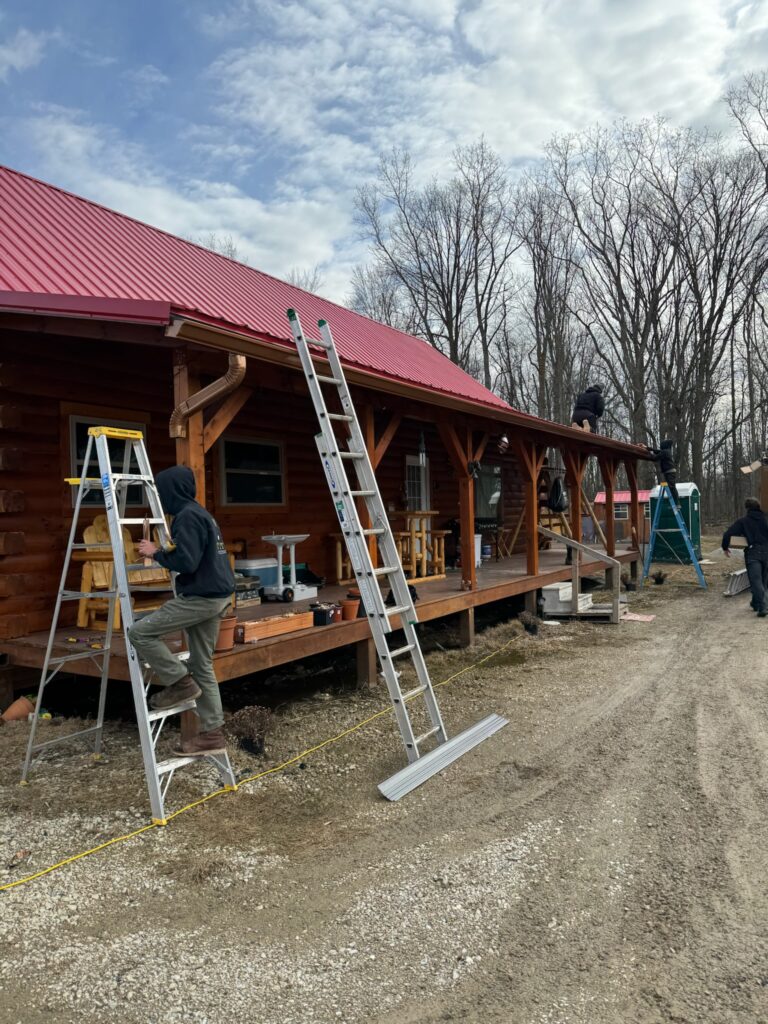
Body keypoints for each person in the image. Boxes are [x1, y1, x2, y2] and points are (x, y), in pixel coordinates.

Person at [129, 465, 235, 755]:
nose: (161, 497)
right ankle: (212, 735)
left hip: (201, 598)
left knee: (140, 633)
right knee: (202, 664)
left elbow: (187, 562)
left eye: (162, 492)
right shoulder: (201, 513)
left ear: (171, 491)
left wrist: (157, 553)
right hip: (217, 595)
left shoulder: (186, 517)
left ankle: (179, 682)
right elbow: (195, 555)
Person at [722, 497, 768, 618]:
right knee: (763, 581)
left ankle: (763, 606)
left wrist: (725, 547)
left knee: (756, 581)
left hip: (753, 553)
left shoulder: (743, 521)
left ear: (747, 508)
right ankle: (755, 603)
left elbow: (728, 534)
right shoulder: (765, 518)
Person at [646, 439, 680, 507]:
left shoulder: (665, 452)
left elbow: (655, 458)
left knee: (672, 487)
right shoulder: (666, 451)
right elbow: (657, 451)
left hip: (670, 472)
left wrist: (648, 453)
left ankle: (677, 503)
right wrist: (647, 448)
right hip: (669, 472)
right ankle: (675, 503)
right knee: (671, 487)